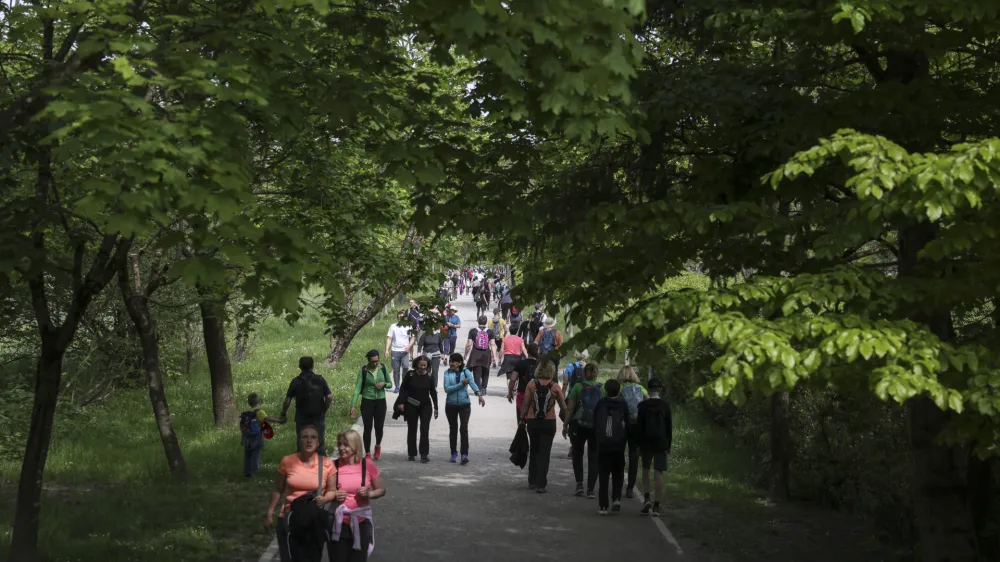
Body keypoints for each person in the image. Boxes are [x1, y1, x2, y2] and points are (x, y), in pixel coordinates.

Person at [265, 425, 338, 562]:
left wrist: (325, 498)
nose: (309, 440)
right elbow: (278, 489)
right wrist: (269, 514)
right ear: (299, 440)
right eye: (305, 437)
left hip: (313, 521)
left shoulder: (327, 463)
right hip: (289, 518)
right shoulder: (287, 461)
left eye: (313, 437)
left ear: (318, 442)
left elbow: (332, 491)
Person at [330, 429, 385, 562]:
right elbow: (327, 492)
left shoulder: (367, 465)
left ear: (355, 445)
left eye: (345, 445)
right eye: (339, 444)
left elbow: (381, 490)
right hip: (339, 522)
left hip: (361, 521)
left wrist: (370, 493)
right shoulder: (333, 466)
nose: (341, 448)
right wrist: (335, 495)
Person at [519, 361, 567, 494]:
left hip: (533, 422)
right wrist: (566, 423)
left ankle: (532, 481)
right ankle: (541, 484)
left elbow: (526, 404)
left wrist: (522, 419)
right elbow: (564, 408)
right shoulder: (555, 387)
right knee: (545, 454)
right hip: (549, 422)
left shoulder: (531, 384)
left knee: (534, 451)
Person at [562, 363, 603, 498]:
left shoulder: (578, 387)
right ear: (596, 373)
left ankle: (579, 484)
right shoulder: (601, 389)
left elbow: (570, 408)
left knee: (577, 454)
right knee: (594, 456)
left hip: (578, 426)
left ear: (584, 373)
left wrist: (565, 424)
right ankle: (590, 489)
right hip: (595, 427)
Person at [280, 356, 333, 456]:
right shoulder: (320, 379)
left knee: (302, 444)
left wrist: (283, 413)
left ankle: (302, 468)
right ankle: (321, 469)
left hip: (302, 418)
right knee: (319, 443)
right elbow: (329, 397)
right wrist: (324, 409)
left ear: (300, 366)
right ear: (313, 366)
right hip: (318, 417)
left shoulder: (296, 381)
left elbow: (287, 400)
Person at [442, 353, 487, 464]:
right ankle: (453, 453)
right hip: (451, 404)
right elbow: (447, 389)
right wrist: (461, 384)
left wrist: (479, 396)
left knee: (464, 428)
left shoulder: (466, 372)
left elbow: (473, 384)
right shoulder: (447, 373)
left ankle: (464, 454)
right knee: (453, 429)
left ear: (460, 363)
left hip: (464, 404)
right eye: (450, 361)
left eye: (454, 361)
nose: (451, 363)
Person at [637, 377, 672, 517]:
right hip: (661, 442)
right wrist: (668, 445)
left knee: (645, 469)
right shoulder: (665, 406)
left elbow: (639, 427)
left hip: (646, 442)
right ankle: (657, 505)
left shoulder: (642, 406)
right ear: (660, 389)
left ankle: (646, 497)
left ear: (649, 389)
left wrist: (639, 444)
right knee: (659, 472)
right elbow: (669, 428)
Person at [594, 380, 629, 515]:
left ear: (606, 390)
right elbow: (627, 423)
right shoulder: (623, 404)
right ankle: (616, 499)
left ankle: (603, 506)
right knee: (618, 473)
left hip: (604, 445)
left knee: (603, 475)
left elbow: (596, 421)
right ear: (619, 390)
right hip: (619, 445)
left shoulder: (601, 403)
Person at [349, 350, 393, 460]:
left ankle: (378, 446)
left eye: (377, 361)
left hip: (380, 401)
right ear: (368, 360)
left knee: (379, 427)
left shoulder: (383, 368)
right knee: (367, 428)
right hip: (367, 401)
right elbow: (358, 388)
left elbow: (390, 384)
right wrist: (353, 406)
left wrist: (384, 384)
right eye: (373, 361)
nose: (375, 363)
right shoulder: (363, 370)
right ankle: (367, 452)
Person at [395, 355, 439, 462]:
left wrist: (436, 407)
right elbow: (403, 389)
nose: (423, 367)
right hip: (411, 405)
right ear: (416, 365)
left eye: (425, 365)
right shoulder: (410, 375)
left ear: (428, 365)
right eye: (421, 365)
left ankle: (424, 454)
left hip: (426, 406)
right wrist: (401, 402)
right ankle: (411, 453)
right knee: (412, 429)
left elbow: (433, 393)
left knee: (424, 429)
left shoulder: (429, 378)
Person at [617, 365, 649, 498]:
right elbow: (647, 405)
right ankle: (630, 488)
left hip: (623, 425)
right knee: (633, 456)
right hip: (637, 426)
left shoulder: (619, 389)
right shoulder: (641, 389)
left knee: (619, 455)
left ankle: (617, 485)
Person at [241, 392, 284, 477]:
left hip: (247, 437)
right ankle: (255, 472)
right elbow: (268, 419)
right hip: (256, 437)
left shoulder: (247, 412)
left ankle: (247, 472)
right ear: (258, 401)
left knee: (247, 454)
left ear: (249, 403)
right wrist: (279, 421)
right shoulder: (259, 412)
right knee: (255, 455)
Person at [464, 315, 499, 395]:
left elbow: (469, 344)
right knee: (485, 372)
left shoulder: (472, 331)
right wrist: (494, 356)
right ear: (486, 322)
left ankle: (478, 389)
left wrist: (465, 354)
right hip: (486, 354)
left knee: (477, 373)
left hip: (475, 354)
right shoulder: (490, 331)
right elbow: (493, 344)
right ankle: (484, 389)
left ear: (478, 321)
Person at [507, 343, 539, 423]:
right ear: (537, 351)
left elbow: (513, 379)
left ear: (527, 351)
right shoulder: (540, 365)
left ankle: (522, 430)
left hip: (523, 394)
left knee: (521, 419)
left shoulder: (521, 364)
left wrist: (510, 393)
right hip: (538, 395)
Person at [385, 311, 415, 393]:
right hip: (395, 350)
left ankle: (404, 385)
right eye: (399, 317)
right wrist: (387, 350)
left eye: (402, 317)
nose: (400, 318)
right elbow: (389, 338)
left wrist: (409, 347)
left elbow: (412, 338)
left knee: (405, 367)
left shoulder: (409, 326)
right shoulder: (393, 326)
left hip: (405, 350)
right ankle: (397, 386)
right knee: (396, 370)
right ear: (397, 317)